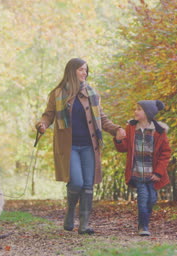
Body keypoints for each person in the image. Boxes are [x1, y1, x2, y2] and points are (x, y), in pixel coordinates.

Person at [35, 58, 125, 234]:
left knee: (88, 185)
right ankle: (70, 212)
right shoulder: (58, 93)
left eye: (86, 70)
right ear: (72, 71)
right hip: (69, 147)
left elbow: (102, 119)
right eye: (81, 70)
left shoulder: (92, 94)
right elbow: (48, 115)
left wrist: (116, 130)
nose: (84, 73)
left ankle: (84, 224)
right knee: (76, 182)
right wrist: (43, 124)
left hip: (89, 146)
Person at [114, 100, 171, 236]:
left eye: (139, 109)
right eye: (135, 109)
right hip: (137, 172)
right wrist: (118, 140)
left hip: (152, 174)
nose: (135, 111)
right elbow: (123, 148)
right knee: (143, 197)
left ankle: (144, 221)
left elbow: (165, 153)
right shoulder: (131, 128)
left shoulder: (158, 131)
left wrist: (158, 172)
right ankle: (143, 226)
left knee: (151, 199)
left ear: (148, 113)